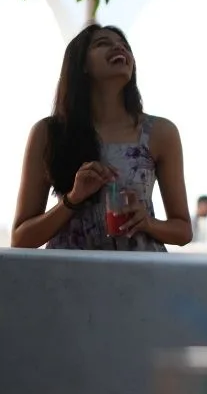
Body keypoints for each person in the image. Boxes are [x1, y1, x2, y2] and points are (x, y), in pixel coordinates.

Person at [11, 24, 193, 251]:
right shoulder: (48, 133)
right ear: (82, 65)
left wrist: (147, 222)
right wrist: (73, 199)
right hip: (69, 279)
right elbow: (21, 239)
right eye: (102, 43)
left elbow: (183, 231)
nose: (119, 47)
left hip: (141, 278)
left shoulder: (160, 132)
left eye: (124, 45)